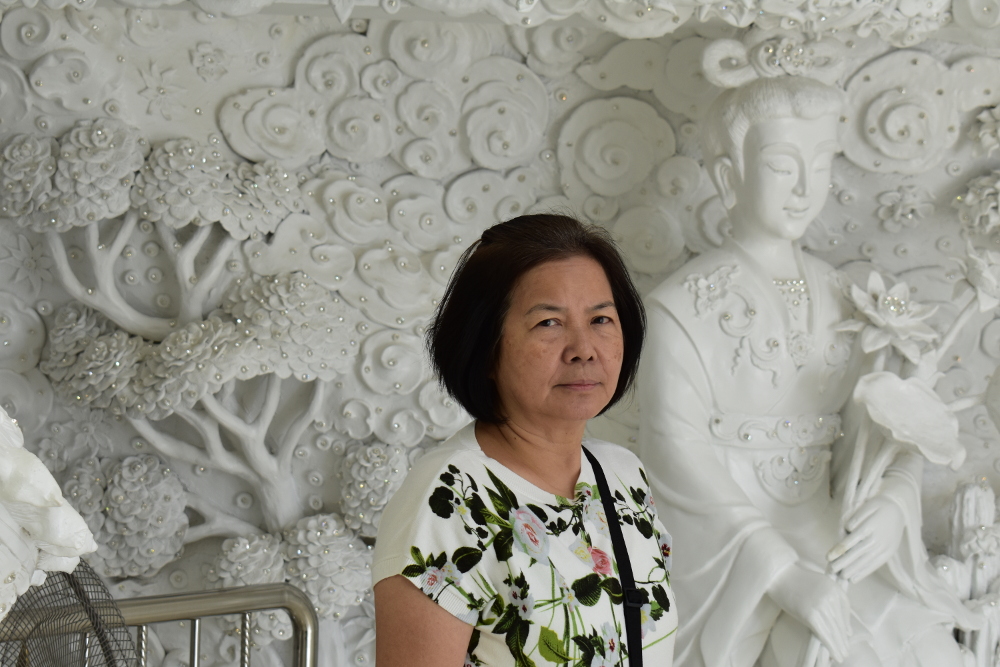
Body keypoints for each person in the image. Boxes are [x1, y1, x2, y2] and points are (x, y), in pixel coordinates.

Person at [637, 75, 978, 667]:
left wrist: (893, 502)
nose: (803, 188)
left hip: (831, 536)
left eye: (820, 166)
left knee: (924, 649)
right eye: (781, 166)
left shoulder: (848, 297)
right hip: (738, 553)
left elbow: (887, 431)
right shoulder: (679, 309)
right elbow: (676, 455)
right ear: (729, 177)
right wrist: (781, 574)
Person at [373, 214, 677, 667]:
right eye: (549, 323)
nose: (584, 349)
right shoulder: (448, 502)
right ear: (485, 347)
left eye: (600, 319)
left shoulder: (622, 475)